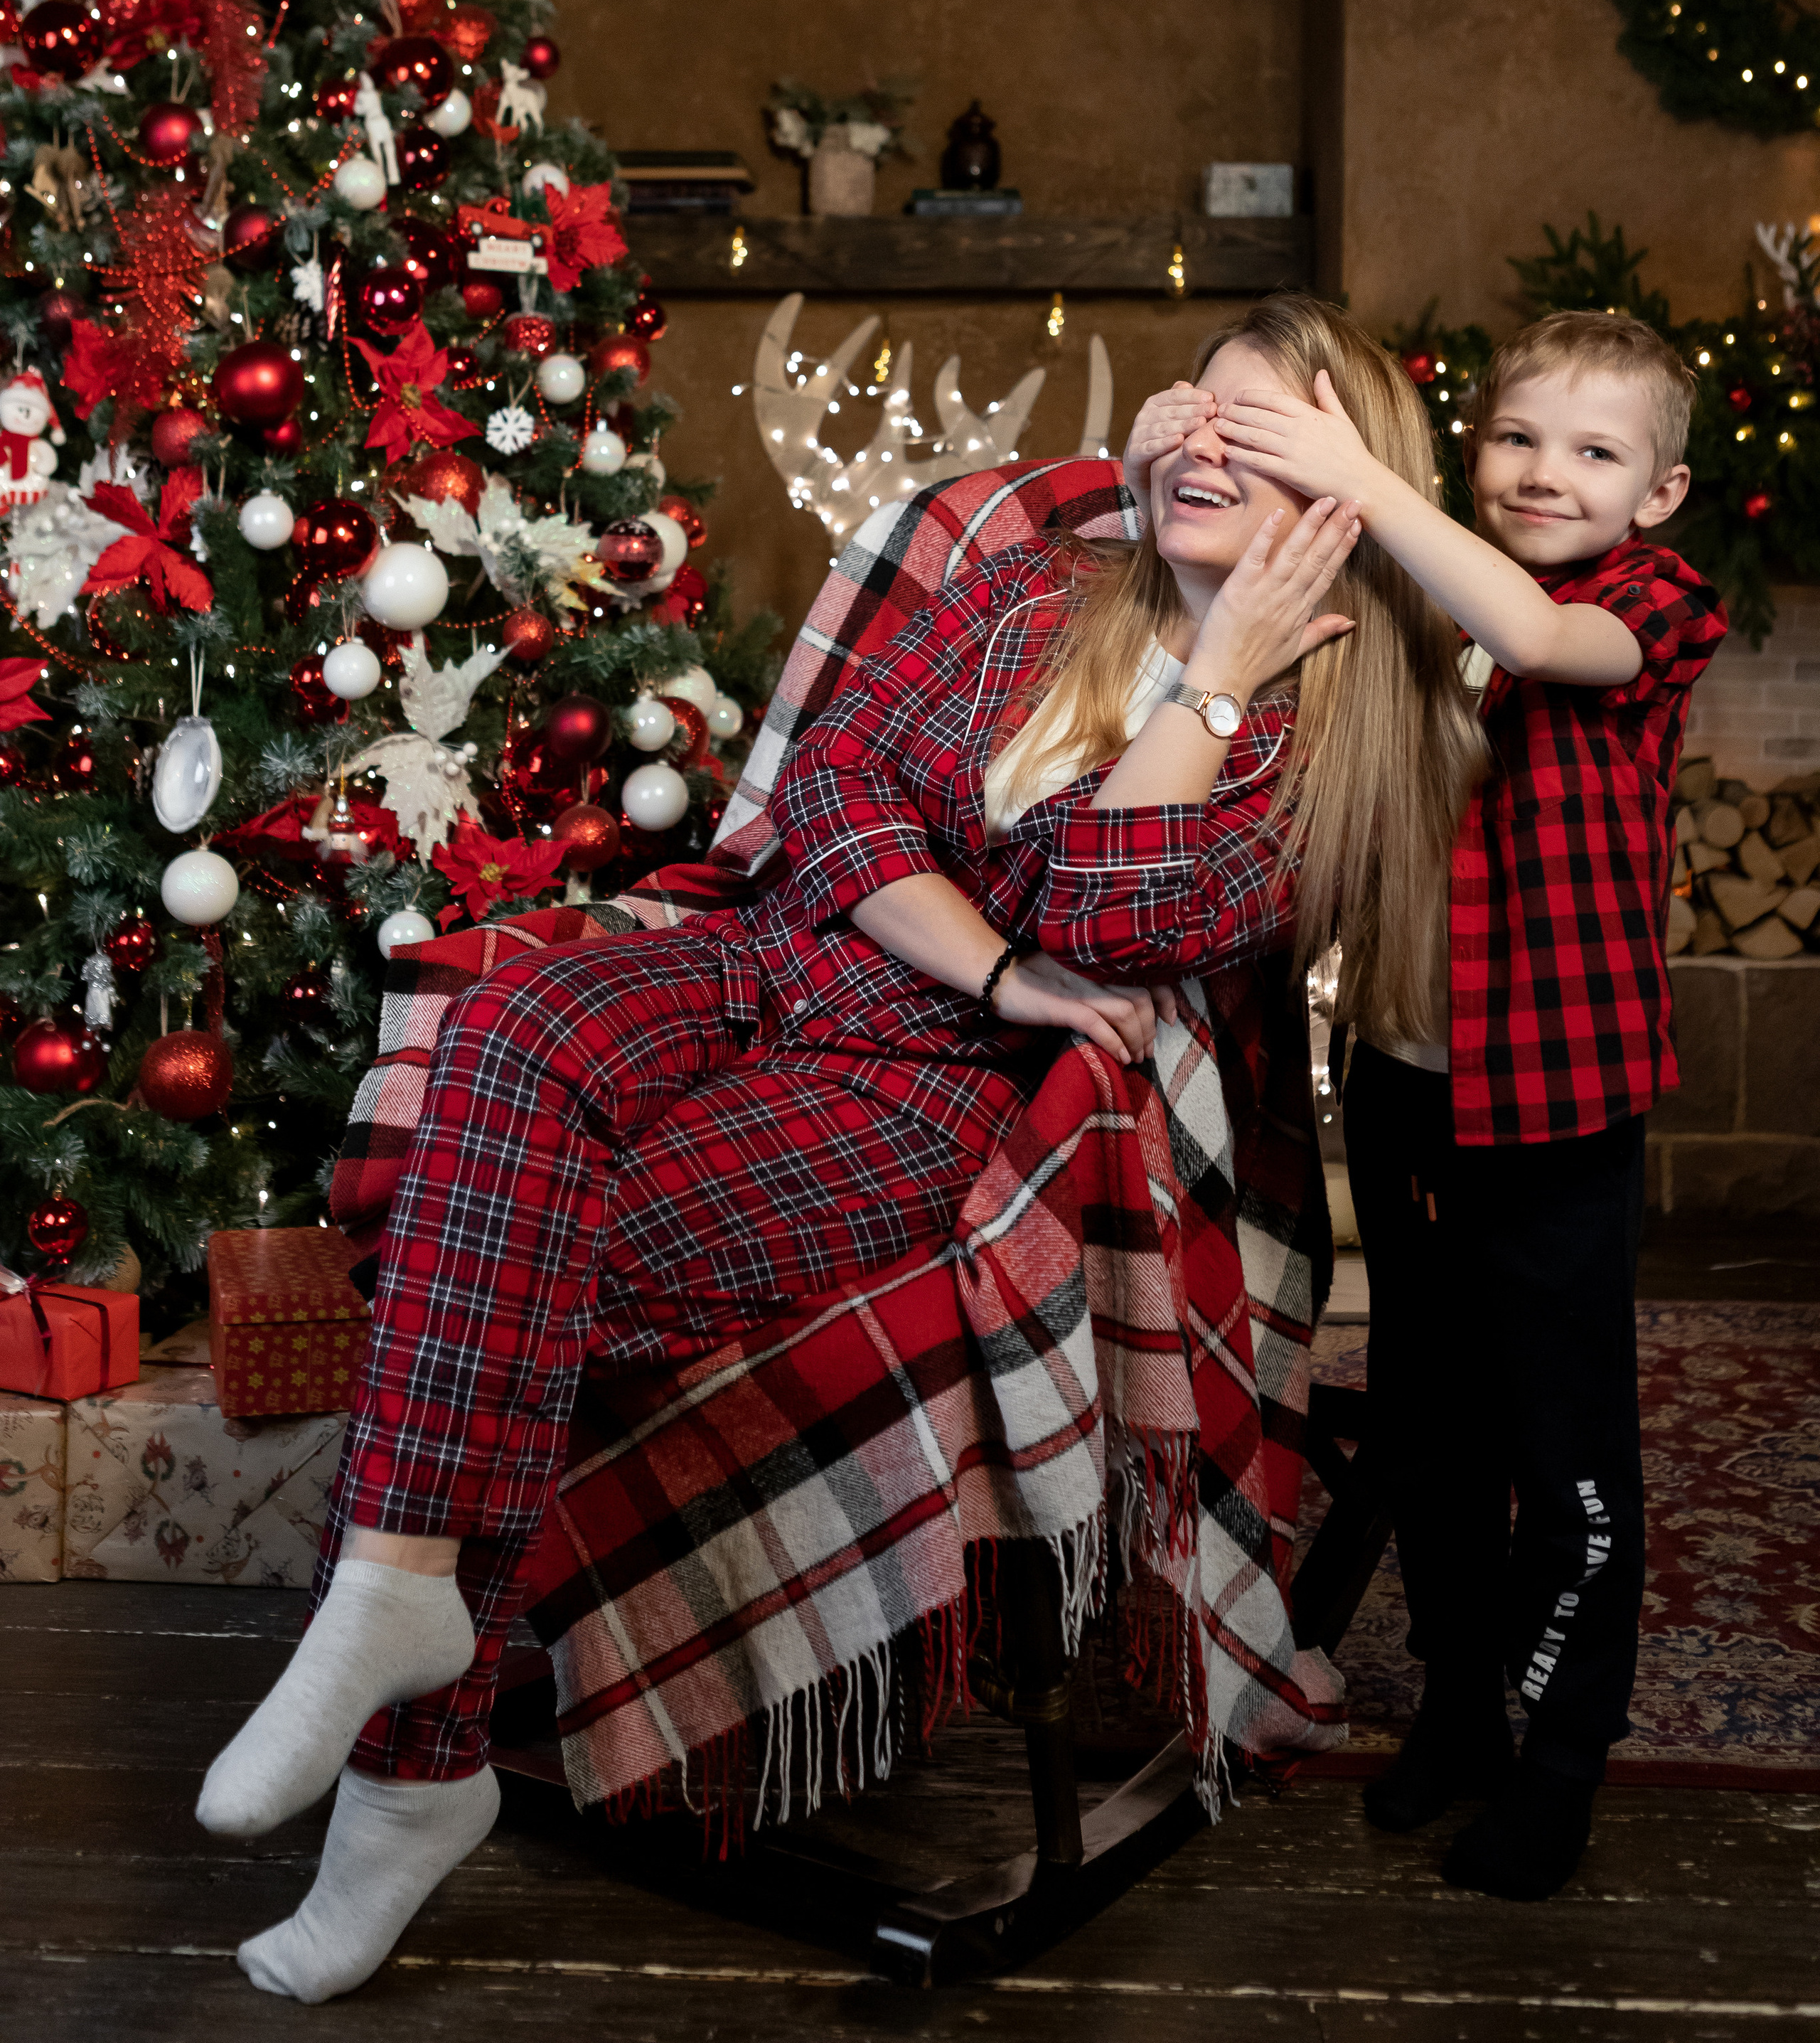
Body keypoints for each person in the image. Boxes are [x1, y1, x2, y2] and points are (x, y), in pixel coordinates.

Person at [198, 293, 1479, 2004]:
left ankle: (408, 1755)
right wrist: (997, 955)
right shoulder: (1038, 585)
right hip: (776, 952)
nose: (1196, 440)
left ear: (1344, 504)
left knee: (543, 1247)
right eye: (1195, 403)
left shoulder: (1306, 756)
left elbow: (1110, 910)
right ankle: (397, 1598)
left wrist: (1215, 676)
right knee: (511, 1034)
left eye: (1262, 433)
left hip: (917, 1091)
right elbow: (840, 786)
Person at [1193, 306, 1727, 1901]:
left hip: (1559, 1103)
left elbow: (1543, 638)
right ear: (1471, 446)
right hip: (1404, 1079)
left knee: (1565, 1450)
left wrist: (1363, 472)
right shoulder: (1415, 599)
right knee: (1430, 1428)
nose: (1544, 473)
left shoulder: (1648, 604)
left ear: (1660, 493)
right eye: (1514, 437)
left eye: (1592, 451)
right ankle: (1457, 1714)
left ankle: (1563, 1756)